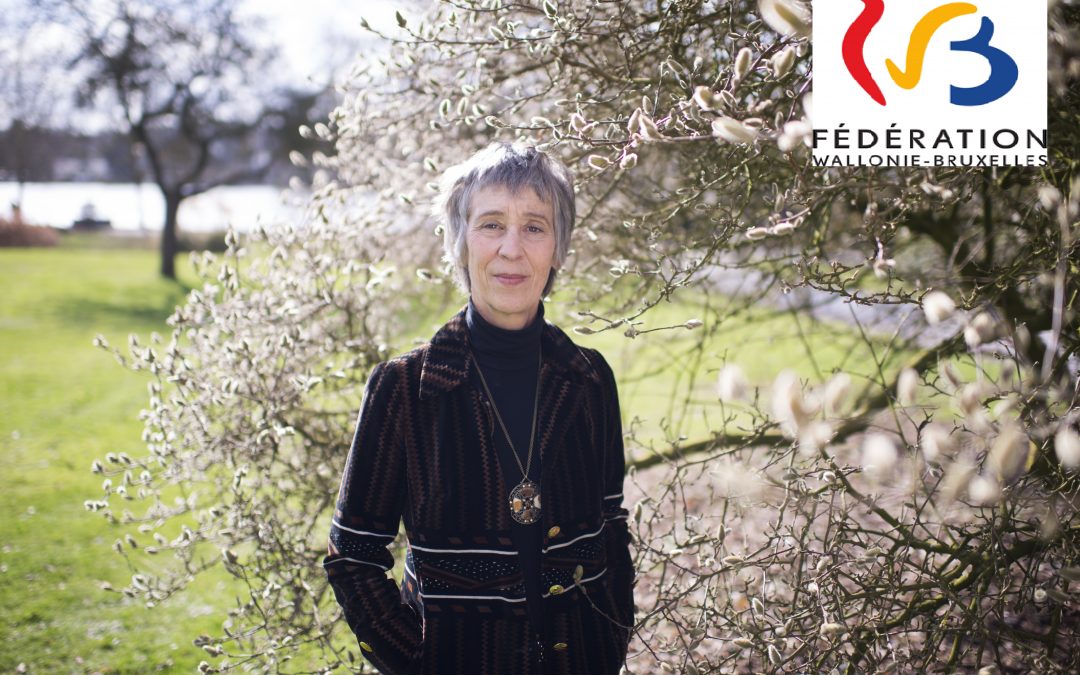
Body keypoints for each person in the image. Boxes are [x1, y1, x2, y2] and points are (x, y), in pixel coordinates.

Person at [323, 142, 635, 674]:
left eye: (535, 227)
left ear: (558, 248)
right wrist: (417, 662)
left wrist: (611, 636)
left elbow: (610, 526)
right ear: (459, 242)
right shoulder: (403, 388)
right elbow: (353, 558)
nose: (512, 249)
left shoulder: (588, 379)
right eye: (491, 224)